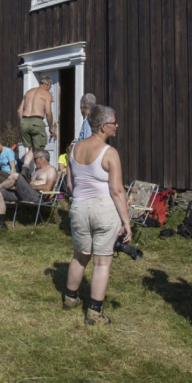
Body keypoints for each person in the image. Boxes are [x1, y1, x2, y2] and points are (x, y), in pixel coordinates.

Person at [63, 105, 132, 326]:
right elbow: (117, 190)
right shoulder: (109, 152)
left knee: (80, 256)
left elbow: (70, 185)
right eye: (114, 123)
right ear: (103, 127)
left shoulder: (73, 149)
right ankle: (94, 313)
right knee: (102, 262)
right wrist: (126, 221)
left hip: (80, 206)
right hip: (103, 208)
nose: (117, 126)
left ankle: (70, 298)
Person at [0, 149, 59, 231]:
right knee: (0, 192)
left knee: (16, 175)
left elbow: (47, 188)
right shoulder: (37, 171)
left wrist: (30, 187)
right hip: (26, 194)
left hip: (38, 197)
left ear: (41, 159)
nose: (35, 162)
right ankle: (1, 223)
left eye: (35, 159)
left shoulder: (51, 170)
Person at [18, 76, 56, 173]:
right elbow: (48, 112)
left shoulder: (28, 92)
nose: (50, 88)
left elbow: (19, 110)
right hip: (36, 121)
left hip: (24, 121)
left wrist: (23, 123)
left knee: (31, 149)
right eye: (50, 86)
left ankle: (25, 169)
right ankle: (38, 175)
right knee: (40, 151)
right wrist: (51, 128)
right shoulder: (46, 94)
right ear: (47, 84)